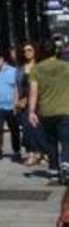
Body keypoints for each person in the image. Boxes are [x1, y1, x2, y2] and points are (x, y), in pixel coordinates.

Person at [27, 39, 69, 185]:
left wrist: (31, 111)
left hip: (46, 111)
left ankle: (53, 171)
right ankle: (66, 163)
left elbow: (33, 92)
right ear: (56, 51)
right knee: (66, 140)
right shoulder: (66, 66)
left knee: (51, 142)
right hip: (65, 109)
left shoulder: (37, 69)